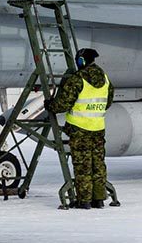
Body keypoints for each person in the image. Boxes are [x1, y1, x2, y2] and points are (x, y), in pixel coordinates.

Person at [45, 48, 114, 210]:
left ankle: (84, 201)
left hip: (79, 129)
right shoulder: (104, 78)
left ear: (81, 61)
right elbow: (108, 101)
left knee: (83, 165)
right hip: (98, 128)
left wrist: (50, 105)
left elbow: (63, 104)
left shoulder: (78, 79)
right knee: (98, 164)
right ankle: (99, 199)